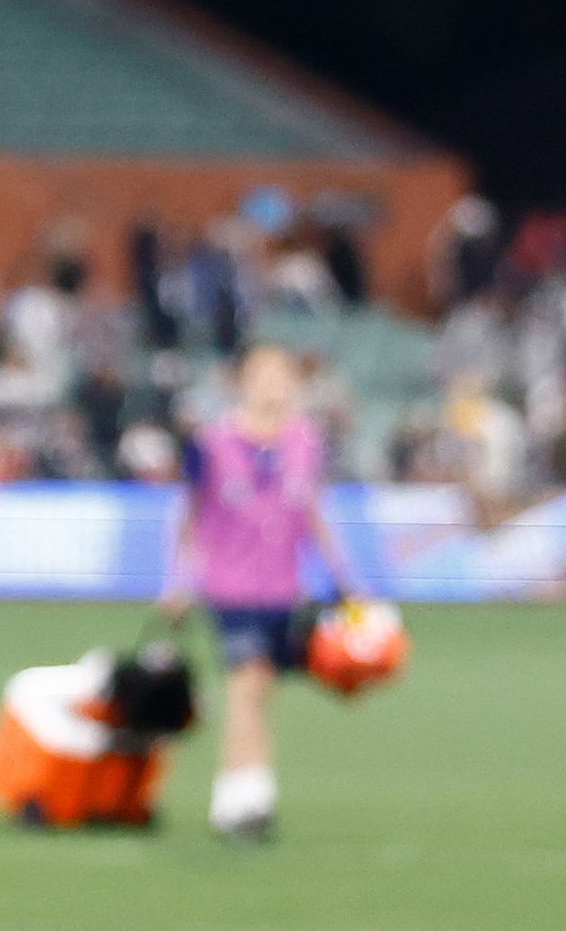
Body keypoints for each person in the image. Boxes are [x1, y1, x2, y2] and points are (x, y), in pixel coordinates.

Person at [160, 344, 367, 842]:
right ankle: (238, 799)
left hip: (283, 588)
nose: (274, 386)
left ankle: (250, 791)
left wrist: (344, 577)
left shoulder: (305, 442)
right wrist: (178, 579)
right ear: (242, 382)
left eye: (283, 376)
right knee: (246, 685)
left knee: (261, 691)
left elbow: (311, 511)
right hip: (231, 588)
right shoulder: (211, 444)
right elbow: (189, 515)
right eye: (263, 375)